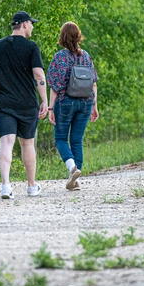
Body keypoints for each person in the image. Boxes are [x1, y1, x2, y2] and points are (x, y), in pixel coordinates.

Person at [0, 11, 48, 199]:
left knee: (6, 142)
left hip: (4, 103)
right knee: (27, 143)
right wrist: (44, 100)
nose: (32, 27)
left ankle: (5, 186)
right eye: (31, 23)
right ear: (24, 24)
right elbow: (39, 75)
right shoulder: (31, 47)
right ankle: (31, 186)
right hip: (27, 103)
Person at [46, 22, 99, 191]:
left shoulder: (60, 57)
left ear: (62, 37)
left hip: (65, 102)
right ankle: (75, 181)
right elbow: (94, 83)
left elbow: (55, 85)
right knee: (77, 140)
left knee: (61, 139)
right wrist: (95, 106)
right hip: (86, 102)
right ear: (78, 36)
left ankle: (72, 168)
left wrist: (50, 108)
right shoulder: (86, 56)